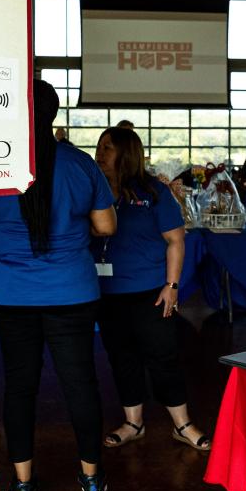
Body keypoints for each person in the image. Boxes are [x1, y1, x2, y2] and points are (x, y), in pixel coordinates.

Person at [0, 80, 117, 491]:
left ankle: (23, 488)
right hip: (72, 291)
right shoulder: (80, 164)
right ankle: (91, 481)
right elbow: (106, 227)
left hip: (10, 296)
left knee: (20, 386)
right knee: (80, 383)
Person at [92, 127, 210, 452]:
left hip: (151, 292)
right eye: (100, 147)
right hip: (107, 292)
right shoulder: (94, 189)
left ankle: (182, 425)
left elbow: (175, 240)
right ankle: (133, 423)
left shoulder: (153, 191)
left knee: (163, 358)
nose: (101, 154)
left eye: (108, 148)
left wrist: (172, 286)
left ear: (126, 153)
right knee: (121, 357)